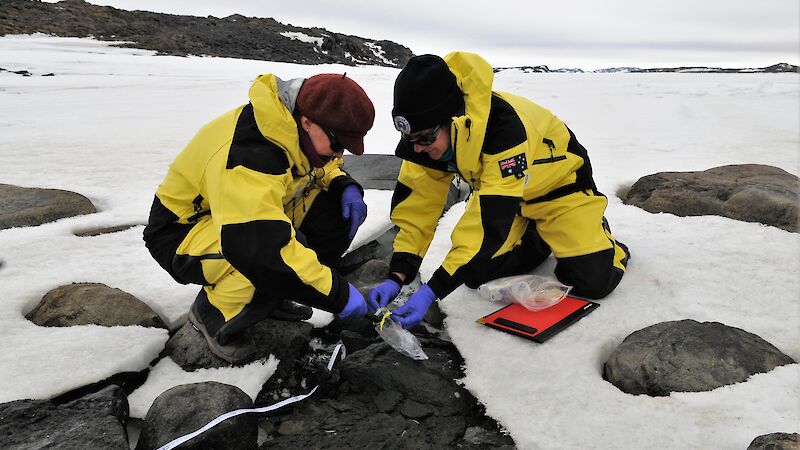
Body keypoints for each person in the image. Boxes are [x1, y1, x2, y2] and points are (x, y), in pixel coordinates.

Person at [367, 52, 630, 329]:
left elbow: (485, 226)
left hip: (559, 190)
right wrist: (397, 275)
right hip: (508, 201)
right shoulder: (424, 140)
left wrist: (431, 292)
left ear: (454, 120)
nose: (418, 148)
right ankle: (536, 235)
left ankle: (603, 240)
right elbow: (416, 211)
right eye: (410, 139)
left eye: (426, 138)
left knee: (593, 281)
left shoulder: (504, 129)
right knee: (476, 273)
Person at [144, 73, 375, 363]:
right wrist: (338, 294)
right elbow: (261, 246)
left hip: (234, 213)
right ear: (307, 123)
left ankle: (272, 296)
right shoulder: (251, 151)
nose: (339, 154)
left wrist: (344, 184)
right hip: (181, 232)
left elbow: (318, 167)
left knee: (332, 214)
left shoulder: (291, 128)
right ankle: (212, 314)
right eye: (337, 145)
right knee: (262, 254)